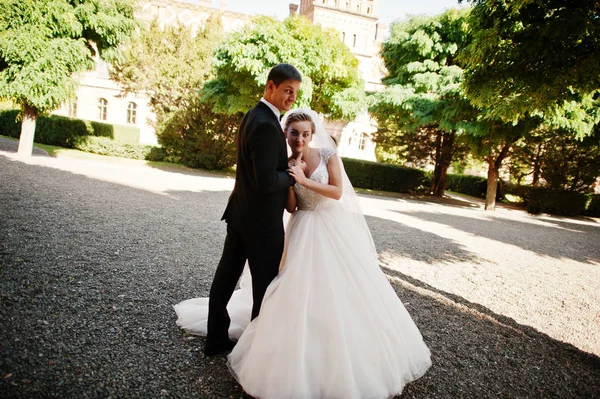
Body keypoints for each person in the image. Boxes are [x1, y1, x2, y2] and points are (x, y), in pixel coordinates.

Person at [175, 109, 431, 398]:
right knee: (295, 286)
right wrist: (291, 180)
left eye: (305, 133)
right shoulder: (285, 163)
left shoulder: (327, 154)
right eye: (294, 132)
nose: (299, 138)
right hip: (302, 226)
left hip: (331, 226)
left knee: (340, 286)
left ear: (313, 134)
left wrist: (304, 178)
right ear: (286, 134)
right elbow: (292, 207)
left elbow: (337, 192)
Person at [199, 63, 302, 357]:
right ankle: (256, 351)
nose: (291, 97)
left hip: (240, 215)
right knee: (265, 288)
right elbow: (268, 180)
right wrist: (293, 173)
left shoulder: (250, 116)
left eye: (295, 92)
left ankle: (216, 339)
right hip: (262, 225)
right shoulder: (267, 126)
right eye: (287, 90)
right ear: (270, 86)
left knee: (225, 278)